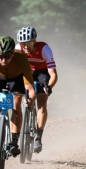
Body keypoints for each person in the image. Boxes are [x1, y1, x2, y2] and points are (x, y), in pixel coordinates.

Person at [0, 36, 36, 159]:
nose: (3, 60)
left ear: (13, 53)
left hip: (17, 78)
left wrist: (30, 98)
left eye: (7, 56)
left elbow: (30, 87)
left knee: (16, 104)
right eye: (0, 56)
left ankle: (14, 142)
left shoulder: (22, 59)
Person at [16, 26, 58, 154]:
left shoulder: (44, 49)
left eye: (28, 43)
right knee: (18, 95)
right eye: (23, 43)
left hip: (42, 73)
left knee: (42, 103)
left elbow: (54, 75)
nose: (26, 47)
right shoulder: (18, 49)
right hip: (27, 71)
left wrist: (49, 87)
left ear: (34, 41)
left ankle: (38, 136)